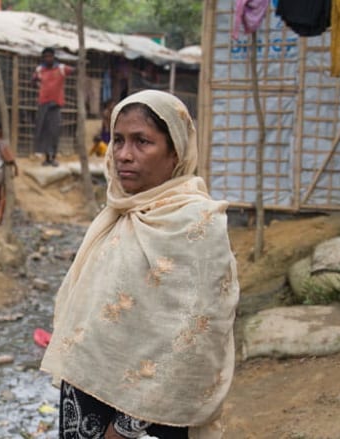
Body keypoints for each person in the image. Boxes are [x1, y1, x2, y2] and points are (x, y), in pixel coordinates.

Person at [41, 90, 238, 439]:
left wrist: (127, 427)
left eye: (142, 142)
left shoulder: (196, 223)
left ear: (175, 151)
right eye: (117, 140)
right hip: (88, 395)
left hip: (148, 420)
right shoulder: (116, 213)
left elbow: (196, 337)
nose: (123, 155)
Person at [33, 47, 74, 167]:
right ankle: (47, 158)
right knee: (44, 131)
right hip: (43, 104)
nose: (48, 58)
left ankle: (54, 157)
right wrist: (37, 83)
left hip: (55, 105)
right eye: (46, 56)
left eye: (50, 56)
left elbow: (73, 70)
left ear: (53, 57)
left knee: (54, 131)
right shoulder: (40, 69)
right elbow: (33, 80)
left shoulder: (60, 68)